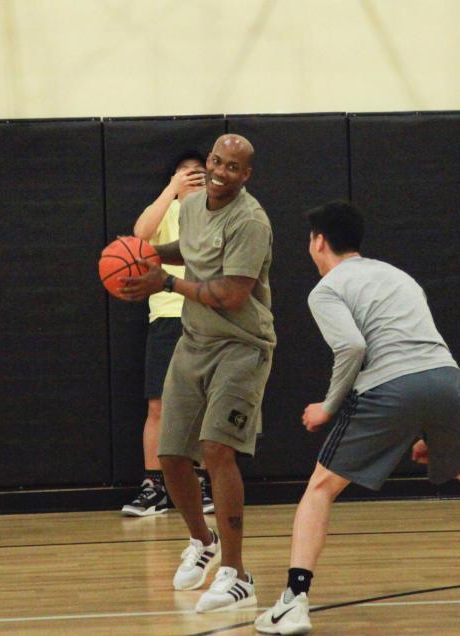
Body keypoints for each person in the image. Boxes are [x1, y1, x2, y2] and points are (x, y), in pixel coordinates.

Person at [255, 201, 460, 635]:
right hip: (445, 378)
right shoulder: (398, 276)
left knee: (321, 488)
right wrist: (429, 425)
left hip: (390, 387)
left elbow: (351, 348)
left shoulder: (326, 289)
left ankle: (293, 602)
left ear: (319, 241)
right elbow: (422, 345)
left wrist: (328, 406)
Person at [120, 134, 275, 613]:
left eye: (233, 166)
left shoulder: (251, 220)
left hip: (242, 345)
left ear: (246, 174)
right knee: (170, 454)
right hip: (194, 341)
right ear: (207, 161)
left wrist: (163, 281)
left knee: (216, 450)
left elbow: (230, 294)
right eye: (216, 161)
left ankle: (236, 573)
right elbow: (184, 247)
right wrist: (142, 257)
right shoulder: (189, 206)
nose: (221, 171)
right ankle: (201, 541)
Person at [120, 150, 215, 517]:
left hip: (206, 314)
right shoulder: (166, 210)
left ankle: (204, 483)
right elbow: (139, 236)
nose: (193, 178)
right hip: (166, 317)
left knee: (206, 404)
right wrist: (172, 190)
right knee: (158, 405)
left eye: (199, 174)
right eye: (185, 174)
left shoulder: (215, 212)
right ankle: (153, 487)